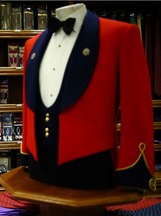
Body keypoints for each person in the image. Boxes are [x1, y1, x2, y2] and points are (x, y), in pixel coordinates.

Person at [21, 3, 155, 190]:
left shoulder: (121, 34)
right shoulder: (31, 46)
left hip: (89, 171)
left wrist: (133, 169)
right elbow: (29, 105)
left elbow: (136, 108)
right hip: (38, 171)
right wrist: (27, 154)